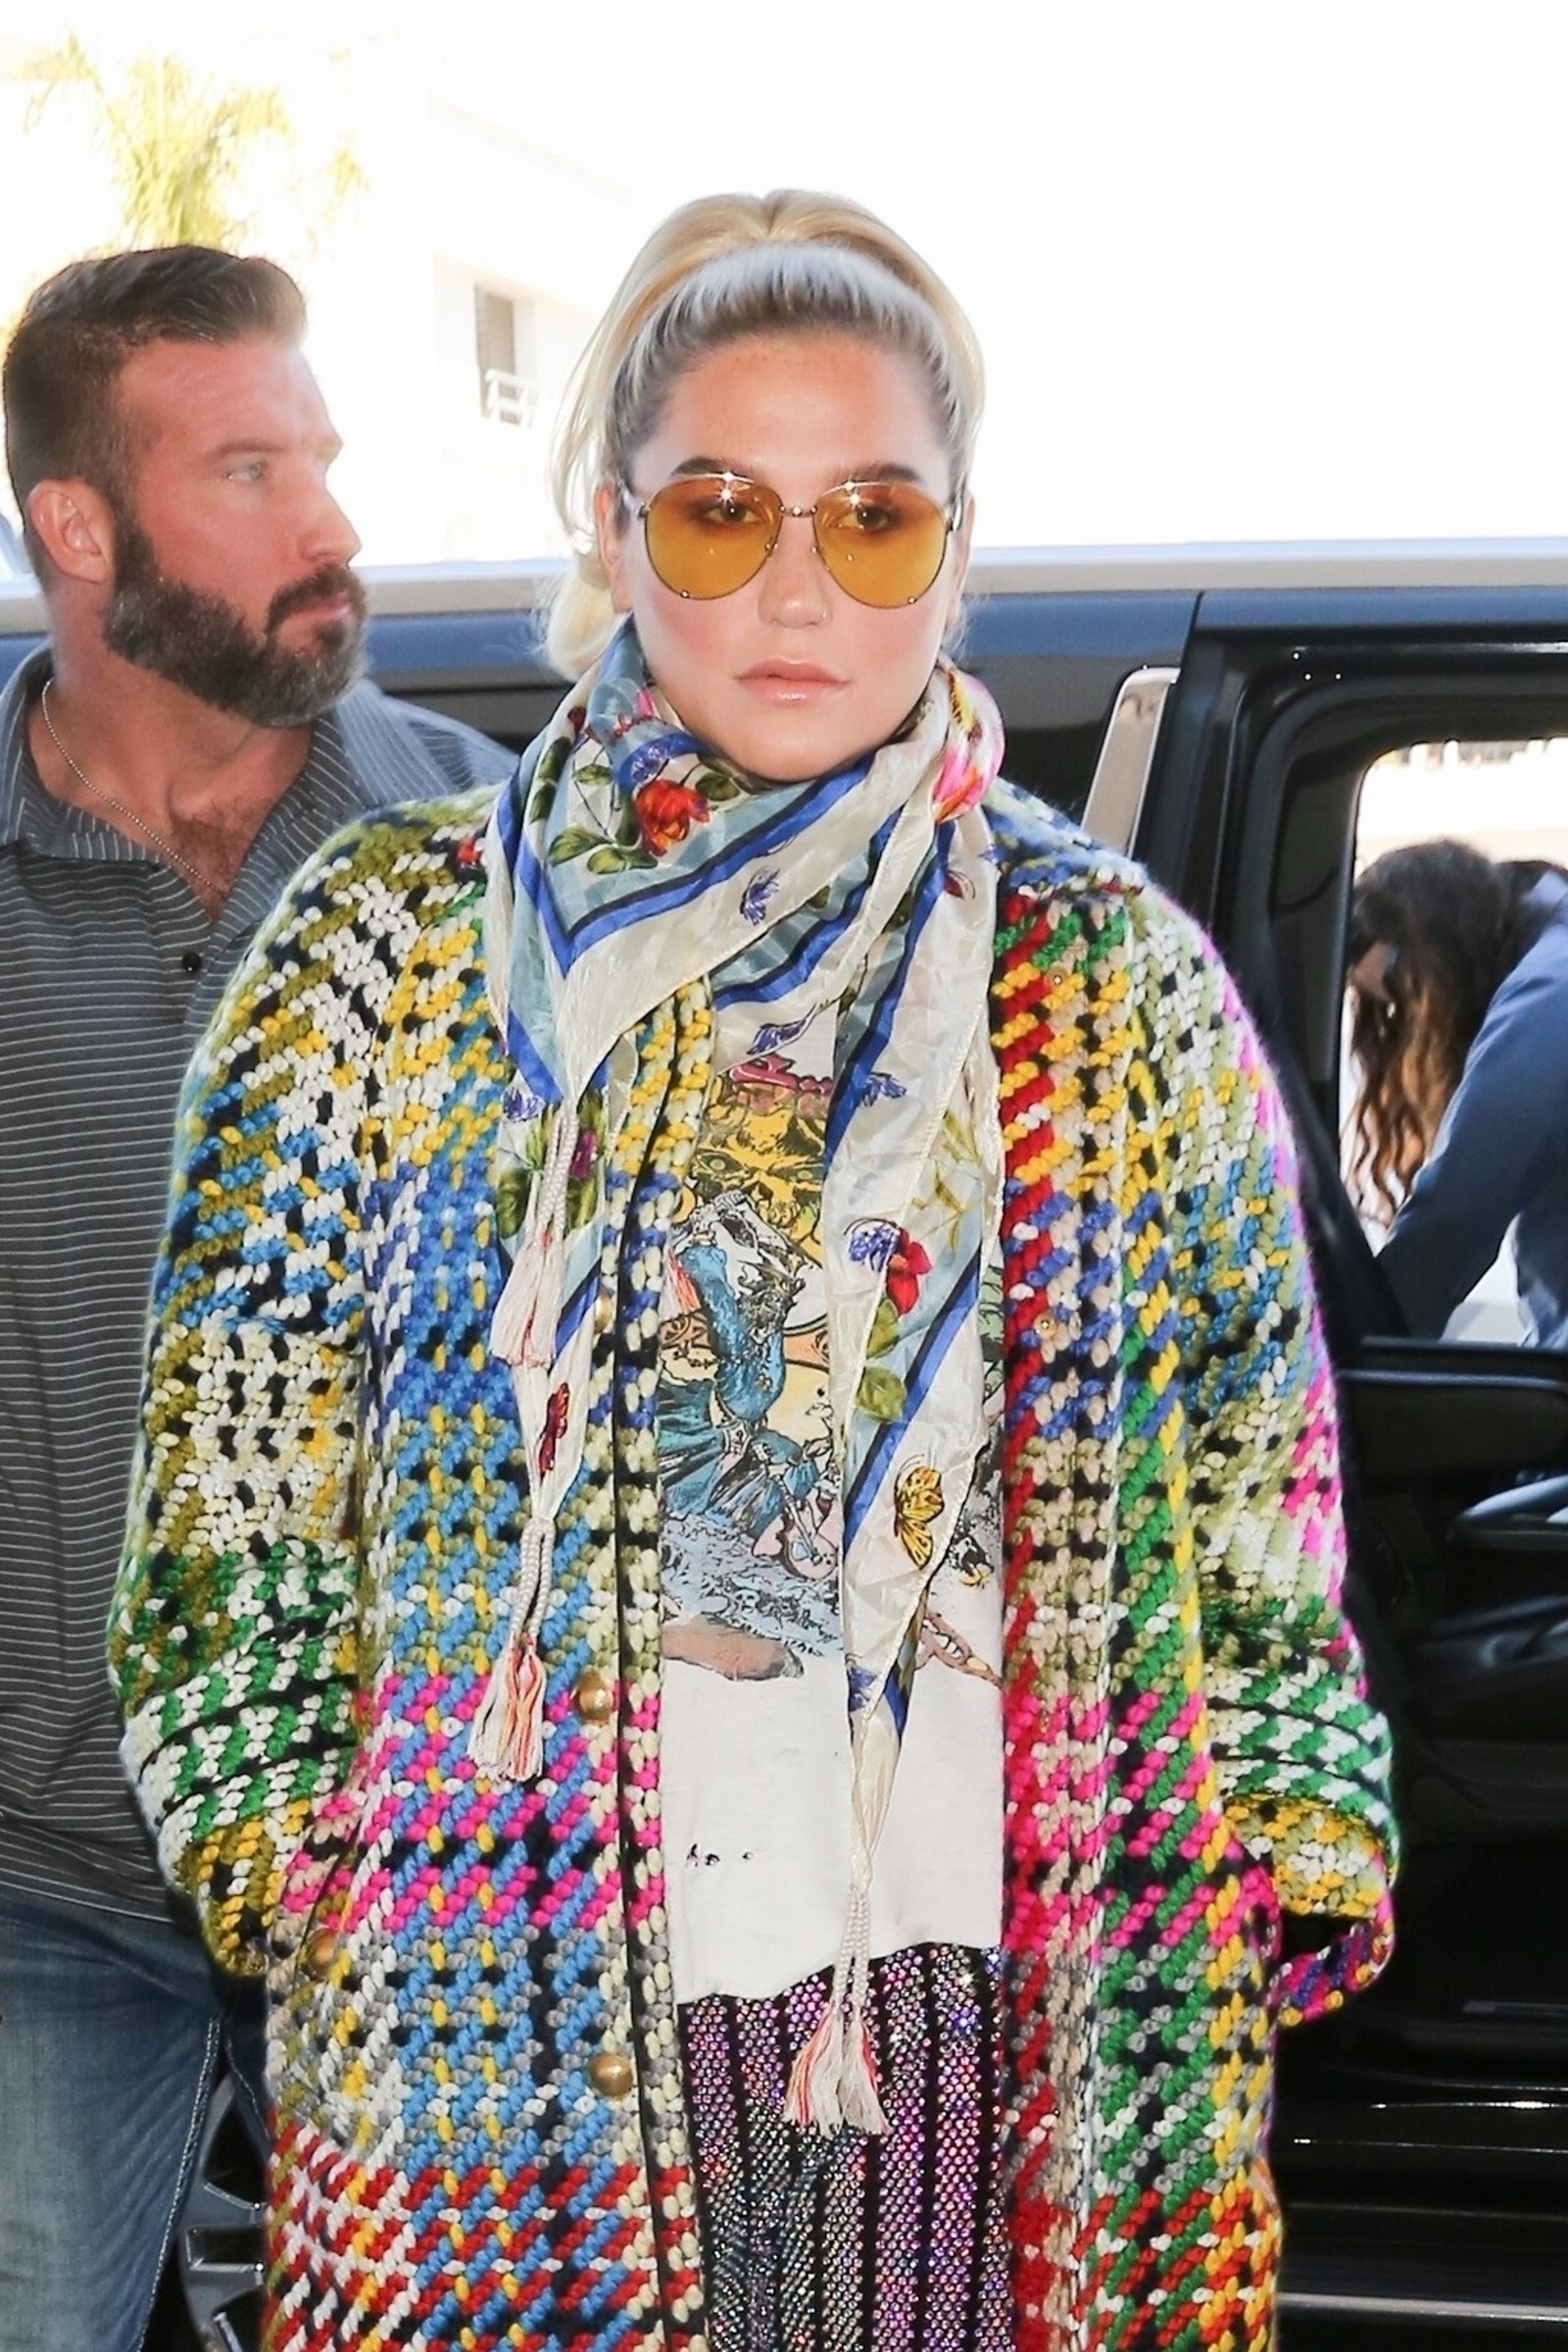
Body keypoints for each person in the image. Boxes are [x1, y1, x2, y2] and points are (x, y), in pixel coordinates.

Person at [110, 192, 1395, 2352]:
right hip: (510, 1976)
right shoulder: (391, 955)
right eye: (720, 511)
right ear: (614, 531)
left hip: (1001, 1975)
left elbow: (1261, 1480)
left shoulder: (1106, 977)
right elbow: (231, 1484)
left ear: (955, 551)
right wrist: (302, 1861)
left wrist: (1270, 1844)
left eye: (872, 518)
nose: (797, 588)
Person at [0, 245, 512, 2352]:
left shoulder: (491, 859)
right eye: (248, 471)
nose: (330, 524)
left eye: (322, 459)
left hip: (423, 1882)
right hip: (37, 1884)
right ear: (79, 528)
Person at [1348, 837, 1568, 1346]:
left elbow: (1458, 1210)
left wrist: (1360, 1347)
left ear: (1441, 942)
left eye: (1400, 982)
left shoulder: (1550, 995)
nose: (1412, 1021)